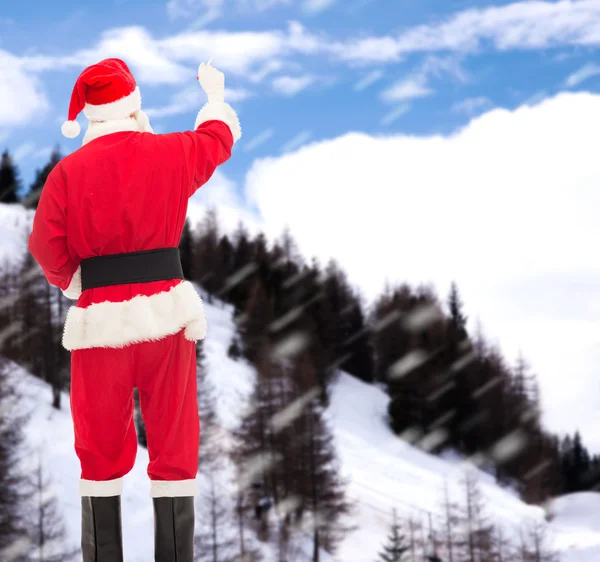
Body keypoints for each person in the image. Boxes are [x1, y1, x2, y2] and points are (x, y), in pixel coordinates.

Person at [28, 57, 241, 562]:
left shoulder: (66, 174)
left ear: (91, 118)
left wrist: (75, 280)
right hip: (167, 317)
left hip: (99, 323)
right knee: (174, 445)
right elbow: (215, 141)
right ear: (133, 107)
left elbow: (44, 244)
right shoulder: (168, 153)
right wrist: (214, 100)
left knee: (98, 454)